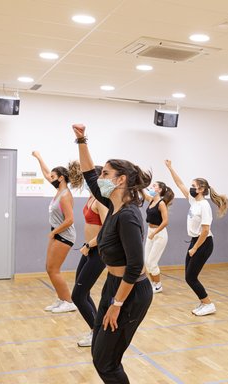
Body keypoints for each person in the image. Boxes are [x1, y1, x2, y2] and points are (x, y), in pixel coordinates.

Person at [72, 123, 153, 383]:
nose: (101, 177)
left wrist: (117, 305)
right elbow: (88, 174)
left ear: (121, 180)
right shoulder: (111, 202)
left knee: (107, 362)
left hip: (131, 292)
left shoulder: (128, 216)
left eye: (106, 173)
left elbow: (135, 266)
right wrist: (82, 140)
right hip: (114, 285)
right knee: (99, 353)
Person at [165, 160, 228, 316]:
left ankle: (208, 304)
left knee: (191, 277)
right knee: (189, 276)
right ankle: (203, 302)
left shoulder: (204, 206)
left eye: (193, 186)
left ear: (201, 189)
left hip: (203, 243)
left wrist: (195, 248)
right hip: (195, 241)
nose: (191, 188)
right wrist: (170, 168)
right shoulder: (194, 201)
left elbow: (206, 230)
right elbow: (179, 184)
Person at [32, 151, 81, 313]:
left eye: (53, 176)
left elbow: (70, 220)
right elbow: (47, 173)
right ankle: (61, 299)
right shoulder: (59, 191)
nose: (50, 178)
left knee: (54, 269)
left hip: (64, 235)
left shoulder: (65, 195)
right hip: (57, 233)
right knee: (49, 267)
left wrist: (54, 233)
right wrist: (39, 157)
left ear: (61, 178)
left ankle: (68, 302)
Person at [73, 166, 109, 347]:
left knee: (77, 296)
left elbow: (106, 230)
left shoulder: (101, 201)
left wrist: (89, 244)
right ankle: (96, 330)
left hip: (97, 251)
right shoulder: (91, 196)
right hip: (88, 250)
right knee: (81, 292)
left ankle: (96, 333)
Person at [142, 181, 174, 293]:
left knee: (152, 262)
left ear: (159, 190)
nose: (151, 187)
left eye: (154, 186)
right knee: (146, 261)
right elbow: (142, 192)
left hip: (159, 234)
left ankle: (158, 285)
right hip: (151, 232)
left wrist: (154, 233)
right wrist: (138, 184)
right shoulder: (151, 200)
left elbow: (165, 222)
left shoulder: (161, 203)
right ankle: (153, 283)